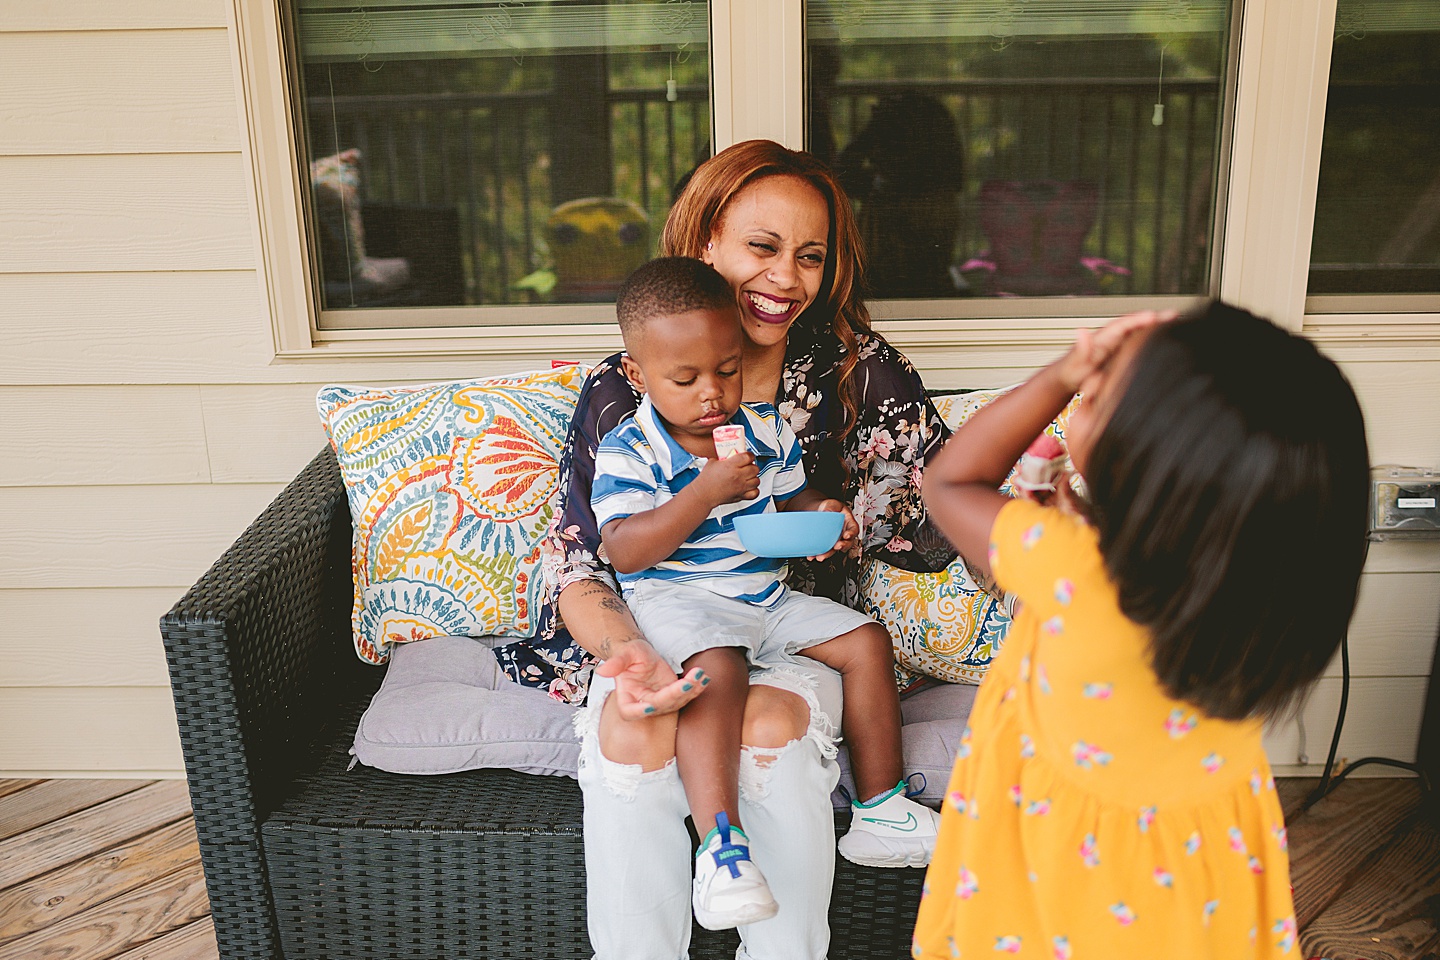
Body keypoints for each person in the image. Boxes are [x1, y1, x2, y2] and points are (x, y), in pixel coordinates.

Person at [491, 139, 959, 960]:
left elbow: (941, 503)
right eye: (763, 247)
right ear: (705, 240)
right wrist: (631, 655)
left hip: (779, 613)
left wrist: (840, 515)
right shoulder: (627, 389)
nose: (786, 278)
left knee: (770, 720)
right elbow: (585, 555)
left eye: (810, 256)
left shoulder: (853, 370)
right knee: (639, 730)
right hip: (662, 617)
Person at [913, 302, 1370, 958]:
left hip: (1064, 868)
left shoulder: (1071, 567)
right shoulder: (1263, 593)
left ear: (1154, 462)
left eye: (1101, 394)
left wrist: (1059, 375)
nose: (1087, 392)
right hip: (1201, 865)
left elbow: (951, 480)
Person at [591, 257, 941, 929]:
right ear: (638, 375)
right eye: (684, 378)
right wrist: (703, 491)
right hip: (681, 601)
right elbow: (626, 549)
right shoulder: (629, 448)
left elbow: (791, 496)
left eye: (726, 369)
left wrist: (826, 519)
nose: (711, 394)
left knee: (866, 641)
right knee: (717, 670)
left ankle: (880, 809)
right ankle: (723, 850)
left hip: (763, 597)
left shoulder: (763, 425)